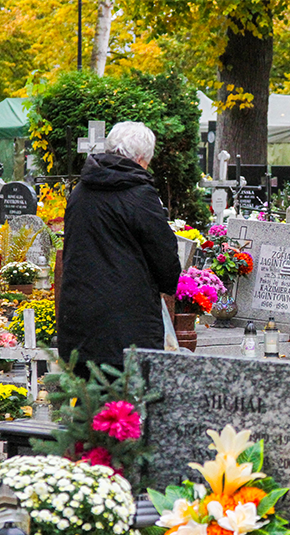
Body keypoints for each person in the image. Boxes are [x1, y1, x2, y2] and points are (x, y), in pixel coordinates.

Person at [58, 121, 181, 379]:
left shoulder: (80, 192)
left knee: (89, 405)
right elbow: (164, 255)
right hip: (128, 325)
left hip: (80, 321)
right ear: (140, 159)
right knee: (127, 410)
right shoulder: (139, 194)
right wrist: (169, 284)